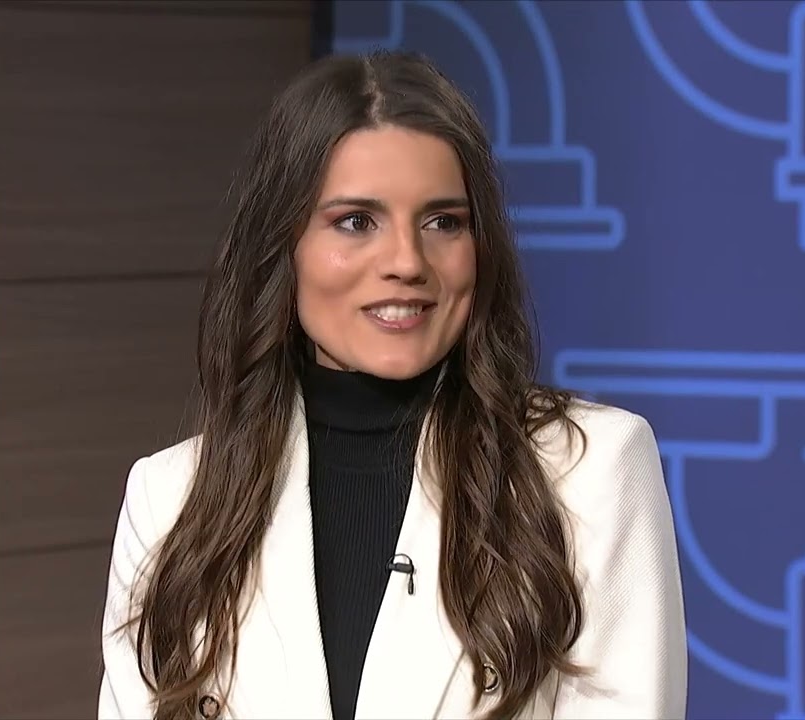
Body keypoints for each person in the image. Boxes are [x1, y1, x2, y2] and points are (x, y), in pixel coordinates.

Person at [98, 49, 686, 720]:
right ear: (282, 246)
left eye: (444, 222)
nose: (407, 261)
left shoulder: (590, 470)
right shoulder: (169, 498)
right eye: (356, 221)